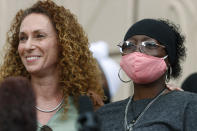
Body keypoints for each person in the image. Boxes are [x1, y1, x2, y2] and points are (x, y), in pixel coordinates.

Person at [0, 0, 104, 130]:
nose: (27, 46)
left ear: (62, 43)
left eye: (39, 36)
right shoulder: (5, 103)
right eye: (23, 38)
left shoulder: (87, 106)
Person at [96, 18, 197, 131]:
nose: (137, 51)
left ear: (169, 58)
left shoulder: (188, 105)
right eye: (129, 45)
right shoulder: (104, 114)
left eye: (149, 45)